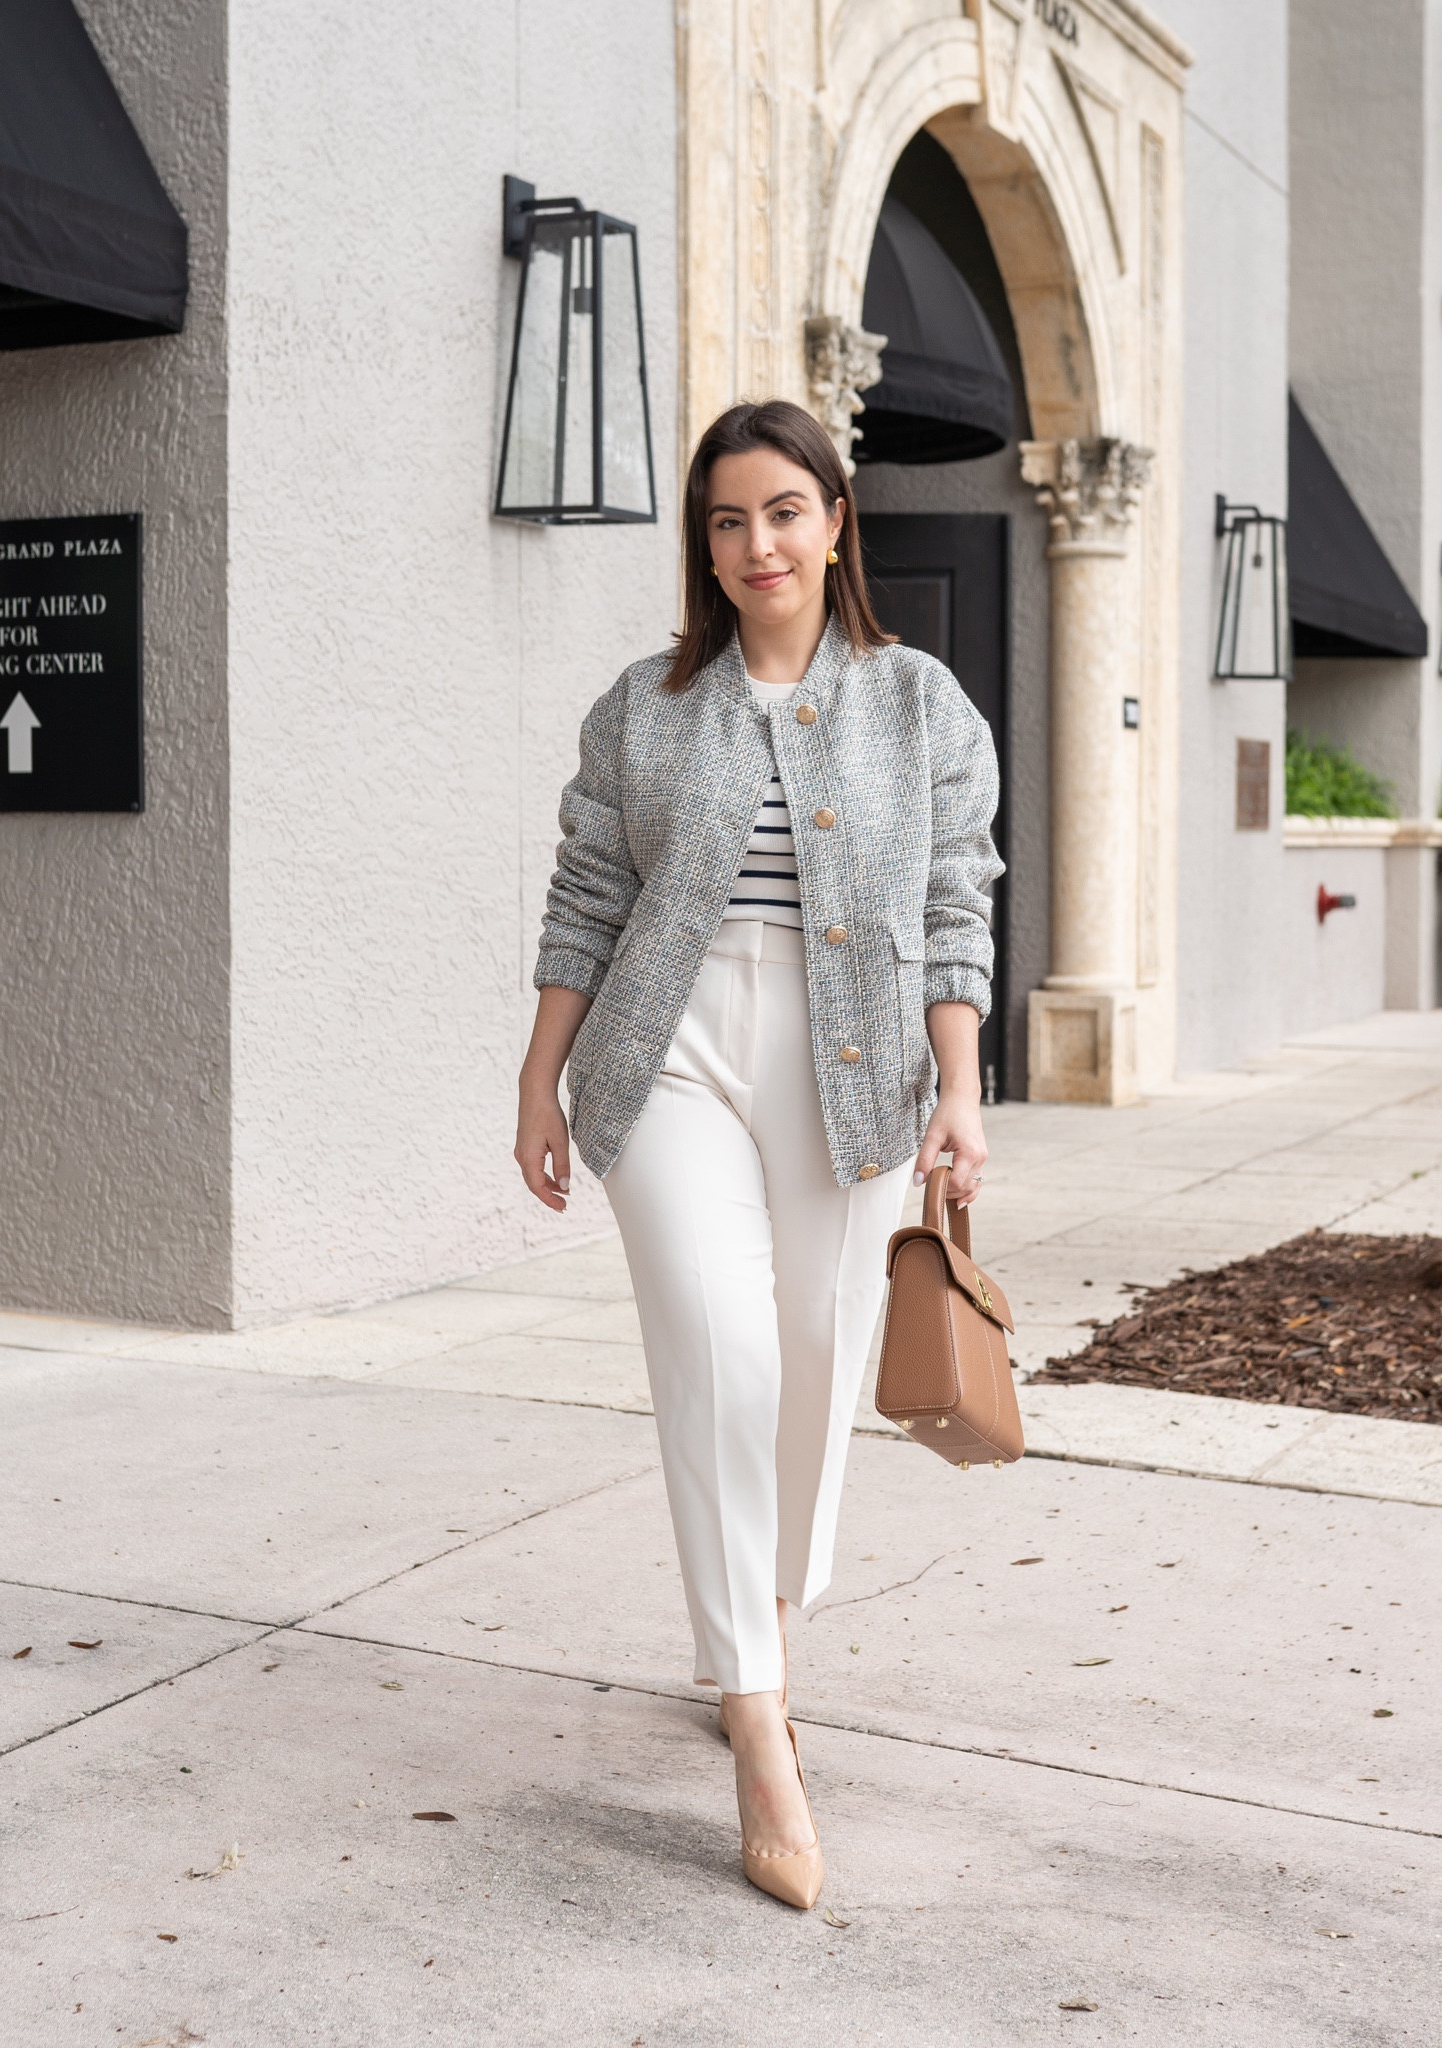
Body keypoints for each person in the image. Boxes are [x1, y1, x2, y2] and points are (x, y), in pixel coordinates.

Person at [514, 399, 1001, 1909]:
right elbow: (586, 893)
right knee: (719, 1350)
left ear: (834, 519)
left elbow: (954, 899)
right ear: (701, 543)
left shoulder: (918, 702)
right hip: (666, 1053)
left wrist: (961, 1090)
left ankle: (762, 1616)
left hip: (851, 1058)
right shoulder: (644, 705)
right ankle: (751, 1715)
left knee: (809, 1352)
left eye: (781, 512)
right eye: (726, 521)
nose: (755, 546)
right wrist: (540, 1080)